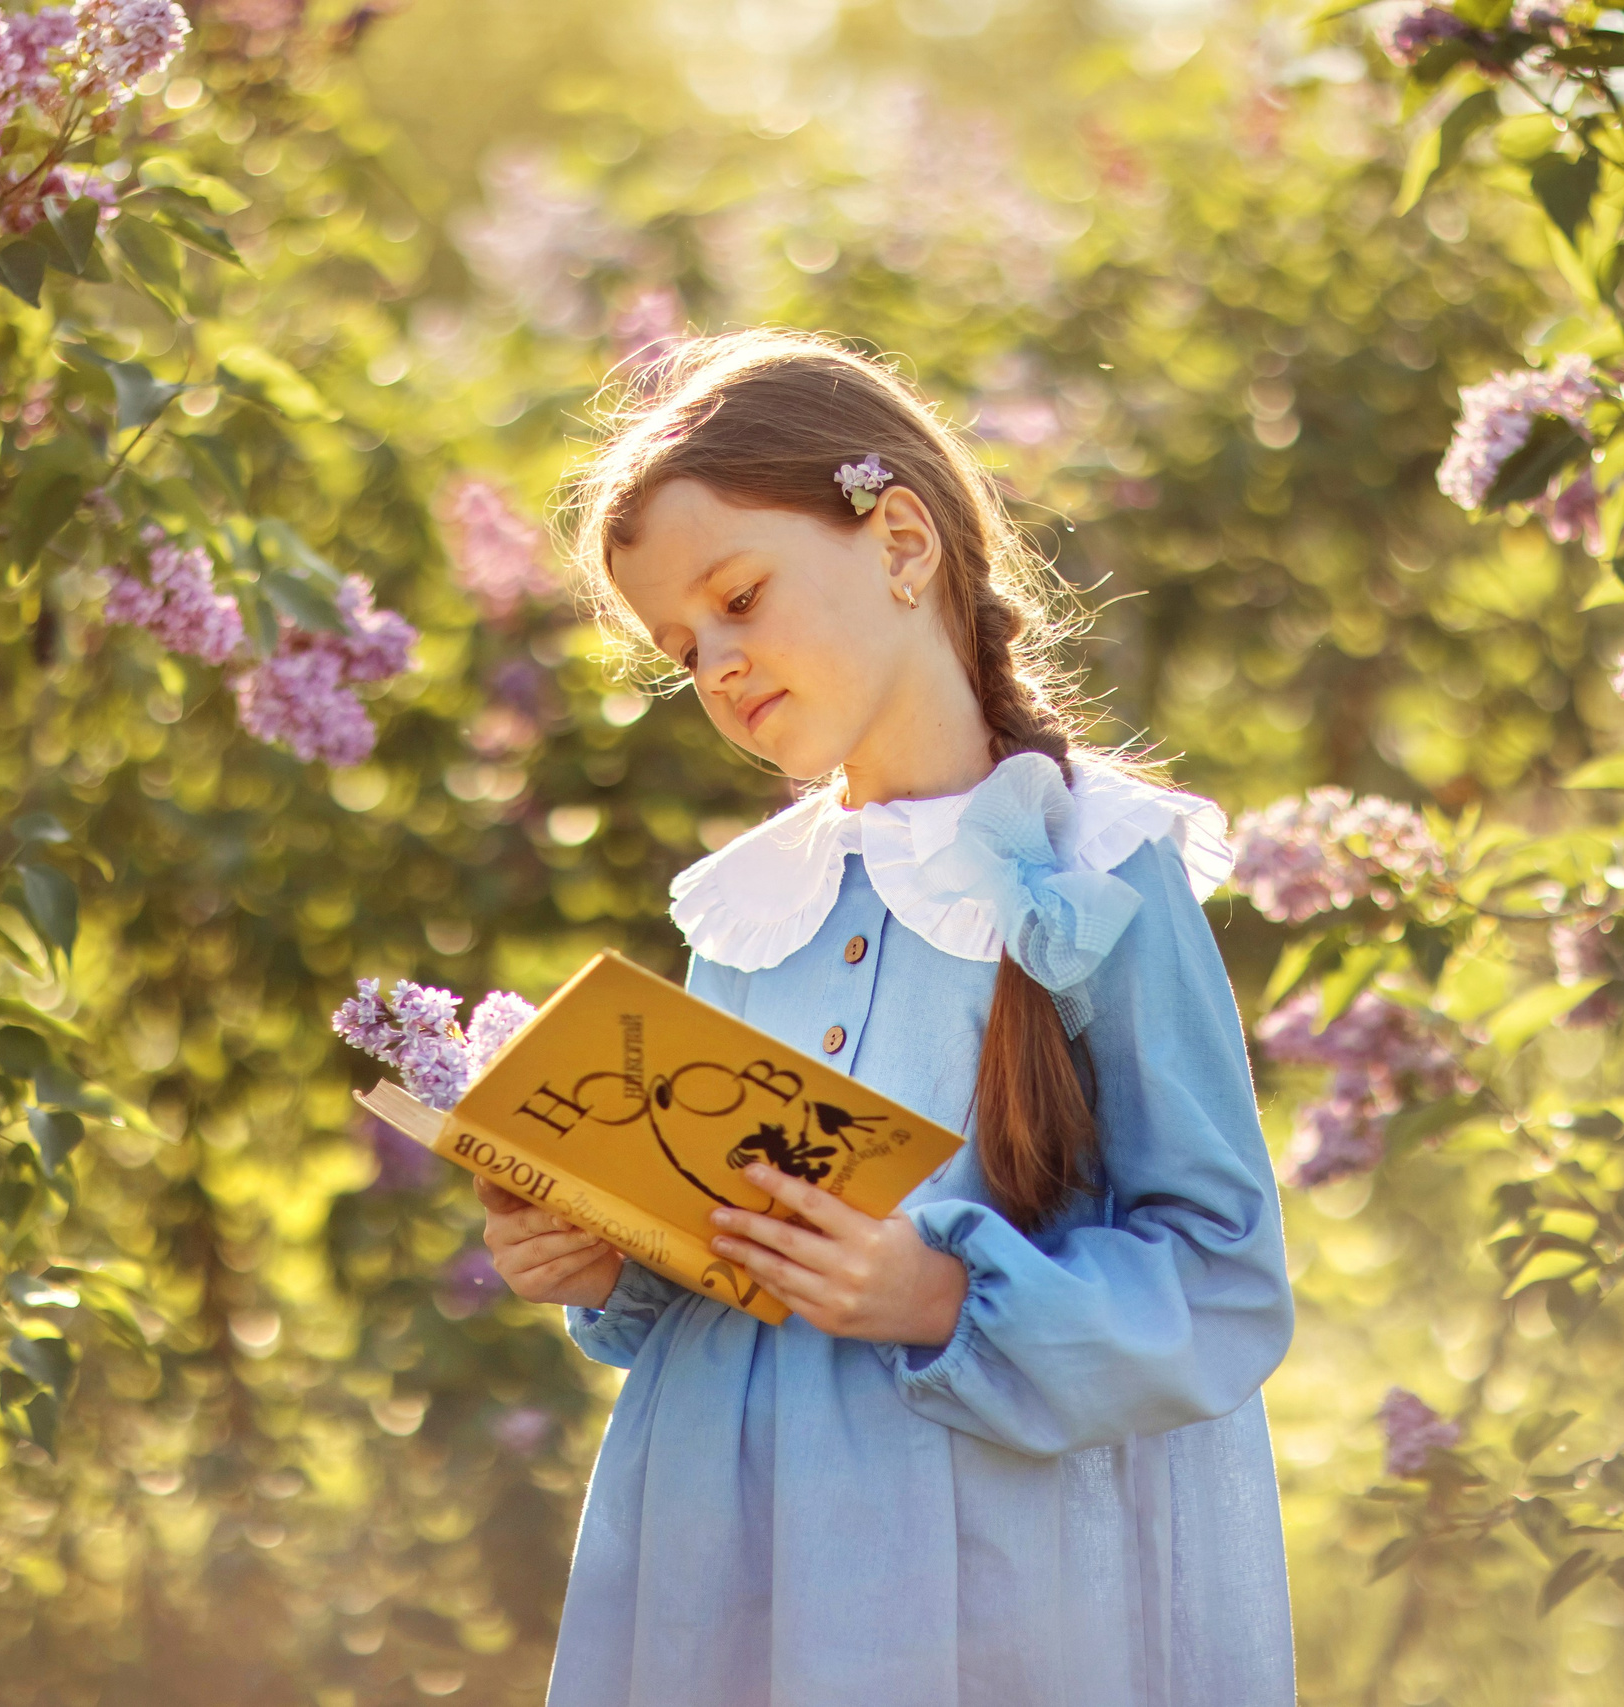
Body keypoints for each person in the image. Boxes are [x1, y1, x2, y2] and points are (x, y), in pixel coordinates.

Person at [473, 328, 1295, 1707]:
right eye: (685, 649)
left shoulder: (1096, 867)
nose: (719, 666)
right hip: (727, 1562)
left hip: (986, 1585)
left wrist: (942, 1292)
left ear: (901, 541)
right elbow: (721, 1235)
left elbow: (1223, 1277)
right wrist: (601, 1254)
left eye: (740, 598)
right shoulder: (750, 906)